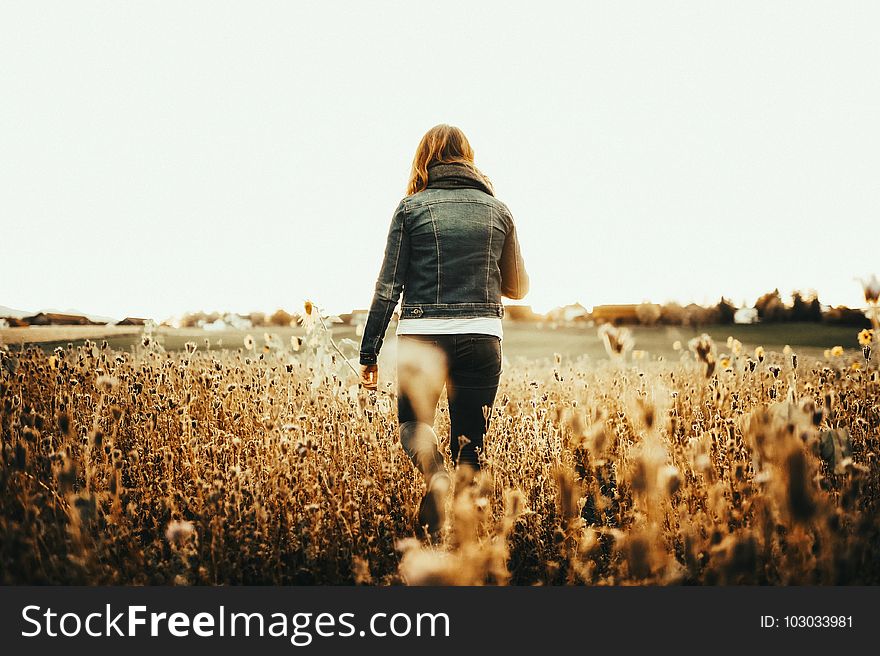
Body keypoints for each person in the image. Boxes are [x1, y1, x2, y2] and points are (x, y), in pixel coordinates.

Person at [358, 124, 529, 539]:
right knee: (471, 442)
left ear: (426, 158)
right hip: (482, 336)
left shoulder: (410, 208)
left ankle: (436, 476)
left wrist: (369, 353)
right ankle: (463, 541)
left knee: (413, 425)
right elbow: (519, 287)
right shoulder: (498, 210)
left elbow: (388, 286)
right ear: (468, 158)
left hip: (422, 337)